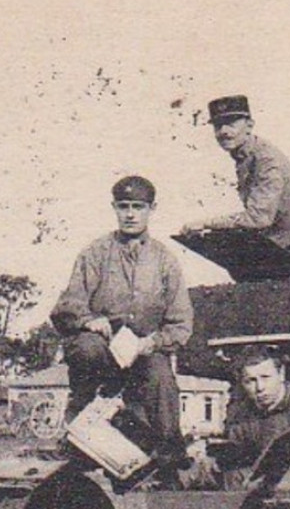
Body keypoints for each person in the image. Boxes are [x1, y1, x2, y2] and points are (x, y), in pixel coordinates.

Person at [49, 175, 193, 464]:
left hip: (143, 350)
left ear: (152, 209)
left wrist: (150, 343)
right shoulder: (95, 253)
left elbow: (180, 324)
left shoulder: (165, 261)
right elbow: (66, 306)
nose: (130, 214)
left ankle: (170, 454)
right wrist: (88, 320)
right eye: (123, 206)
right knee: (87, 348)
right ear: (114, 207)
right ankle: (78, 432)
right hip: (102, 349)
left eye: (138, 207)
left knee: (162, 378)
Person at [181, 95, 290, 267]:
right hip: (282, 244)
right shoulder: (245, 156)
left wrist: (205, 224)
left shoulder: (266, 160)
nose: (224, 131)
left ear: (250, 125)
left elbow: (258, 218)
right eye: (218, 126)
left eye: (231, 123)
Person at [218, 346, 290, 467]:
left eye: (265, 377)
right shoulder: (240, 414)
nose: (260, 387)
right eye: (250, 381)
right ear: (242, 383)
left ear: (281, 374)